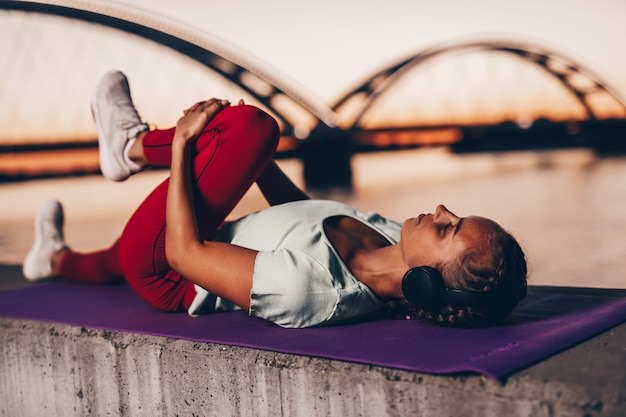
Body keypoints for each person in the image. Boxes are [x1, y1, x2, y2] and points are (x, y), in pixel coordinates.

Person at [23, 71, 528, 328]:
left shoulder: (313, 291)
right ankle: (54, 256)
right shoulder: (392, 237)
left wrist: (182, 145)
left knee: (252, 127)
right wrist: (256, 164)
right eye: (453, 216)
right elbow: (307, 214)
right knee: (104, 259)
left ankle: (131, 145)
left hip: (171, 267)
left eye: (447, 229)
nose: (441, 211)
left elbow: (184, 255)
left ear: (424, 283)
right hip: (202, 237)